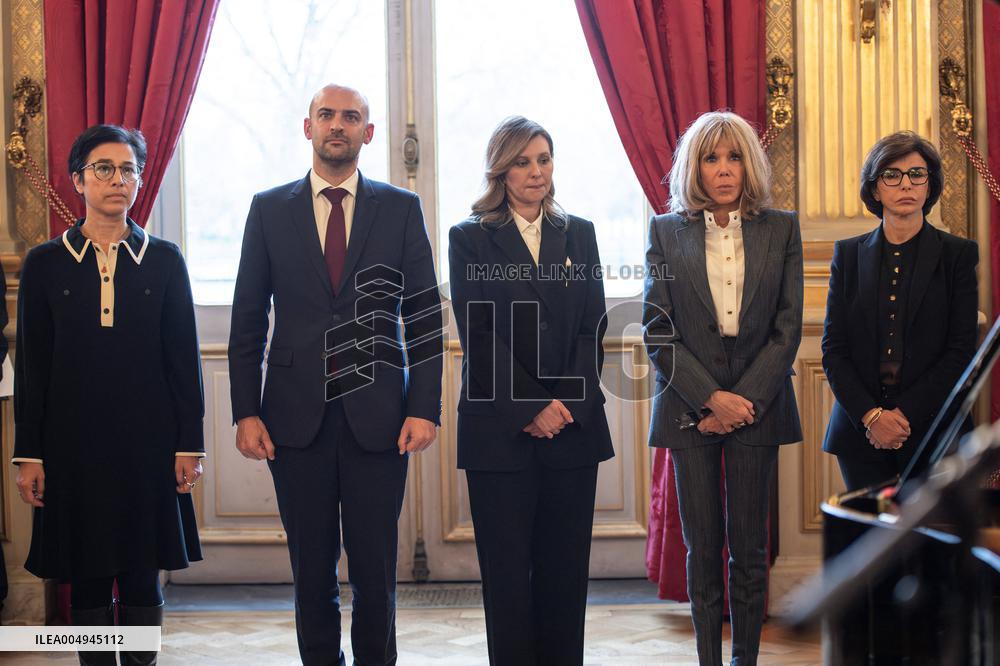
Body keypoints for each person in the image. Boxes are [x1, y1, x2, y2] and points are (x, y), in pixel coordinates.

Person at [228, 84, 443, 666]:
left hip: (380, 417)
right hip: (294, 420)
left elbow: (423, 312)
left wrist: (424, 406)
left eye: (352, 117)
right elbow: (248, 318)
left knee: (375, 573)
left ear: (367, 134)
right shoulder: (268, 209)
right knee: (311, 569)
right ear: (308, 127)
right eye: (327, 115)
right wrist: (246, 411)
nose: (338, 126)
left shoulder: (400, 209)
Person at [13, 124, 204, 666]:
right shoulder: (45, 265)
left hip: (148, 451)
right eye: (103, 168)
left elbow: (183, 363)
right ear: (78, 181)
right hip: (73, 452)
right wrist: (30, 454)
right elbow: (32, 368)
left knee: (144, 580)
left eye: (128, 170)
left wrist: (188, 444)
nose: (117, 179)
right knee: (89, 583)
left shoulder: (165, 261)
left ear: (140, 182)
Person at [448, 116, 614, 666]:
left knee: (565, 574)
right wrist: (529, 408)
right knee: (508, 576)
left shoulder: (580, 232)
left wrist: (562, 405)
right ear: (501, 169)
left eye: (543, 159)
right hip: (501, 431)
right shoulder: (469, 237)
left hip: (572, 427)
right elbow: (478, 333)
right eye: (522, 161)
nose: (536, 171)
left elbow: (593, 326)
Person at [642, 111, 803, 666]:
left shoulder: (781, 228)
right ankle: (710, 658)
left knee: (750, 551)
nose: (724, 169)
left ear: (749, 163)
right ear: (695, 167)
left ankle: (746, 661)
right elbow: (656, 328)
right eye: (711, 158)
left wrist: (743, 403)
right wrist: (712, 399)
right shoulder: (666, 231)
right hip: (690, 406)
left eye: (734, 156)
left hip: (760, 403)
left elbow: (787, 329)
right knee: (703, 549)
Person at [822, 131, 978, 491]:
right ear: (875, 189)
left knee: (933, 545)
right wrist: (873, 417)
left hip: (935, 429)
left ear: (929, 185)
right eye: (891, 175)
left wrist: (900, 416)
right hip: (860, 433)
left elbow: (960, 352)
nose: (905, 184)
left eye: (916, 174)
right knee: (869, 543)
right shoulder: (847, 255)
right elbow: (834, 350)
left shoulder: (958, 255)